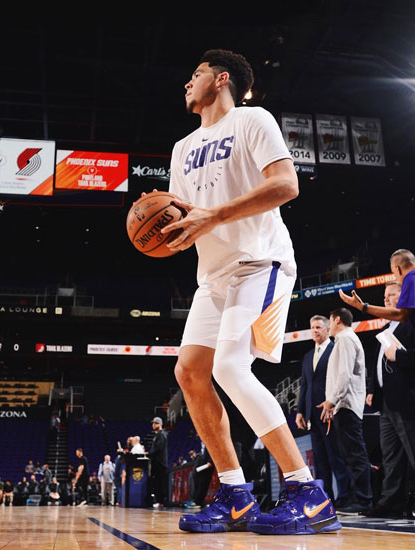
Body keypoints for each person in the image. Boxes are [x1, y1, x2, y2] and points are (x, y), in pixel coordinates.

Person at [160, 48, 340, 535]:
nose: (187, 83)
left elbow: (286, 185)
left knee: (230, 367)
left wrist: (214, 216)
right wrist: (164, 228)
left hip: (261, 261)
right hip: (214, 275)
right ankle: (236, 495)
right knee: (190, 372)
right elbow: (186, 219)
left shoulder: (252, 120)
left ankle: (308, 493)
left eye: (195, 74)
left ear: (221, 80)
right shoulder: (181, 148)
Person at [364, 282, 415, 518]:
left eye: (391, 295)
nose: (385, 299)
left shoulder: (410, 323)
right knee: (391, 456)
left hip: (406, 399)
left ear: (403, 297)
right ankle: (391, 502)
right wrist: (373, 389)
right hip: (385, 401)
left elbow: (405, 358)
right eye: (384, 296)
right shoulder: (385, 328)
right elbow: (377, 365)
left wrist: (399, 356)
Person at [318, 308, 372, 514]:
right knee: (350, 455)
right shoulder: (344, 340)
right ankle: (357, 498)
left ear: (337, 319)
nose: (328, 326)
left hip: (347, 405)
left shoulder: (346, 339)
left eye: (330, 321)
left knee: (355, 454)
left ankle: (363, 500)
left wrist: (331, 401)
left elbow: (344, 375)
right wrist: (331, 401)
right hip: (344, 405)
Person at [296, 315, 350, 505]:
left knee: (336, 457)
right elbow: (304, 386)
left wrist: (333, 403)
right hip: (313, 414)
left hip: (330, 411)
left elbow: (340, 380)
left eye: (318, 327)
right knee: (320, 460)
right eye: (312, 327)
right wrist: (300, 411)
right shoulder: (308, 356)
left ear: (328, 329)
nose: (315, 330)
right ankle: (325, 499)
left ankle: (344, 498)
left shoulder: (335, 350)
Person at [339, 249, 415, 332]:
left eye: (393, 272)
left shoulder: (410, 277)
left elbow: (401, 314)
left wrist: (362, 307)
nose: (395, 277)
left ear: (398, 269)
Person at [148, 417, 168, 508]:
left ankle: (161, 501)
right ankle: (159, 500)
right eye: (153, 423)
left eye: (155, 423)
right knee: (157, 483)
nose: (153, 425)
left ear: (160, 424)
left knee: (160, 483)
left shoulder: (161, 434)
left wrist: (149, 453)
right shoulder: (157, 435)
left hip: (160, 462)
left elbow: (158, 448)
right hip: (157, 462)